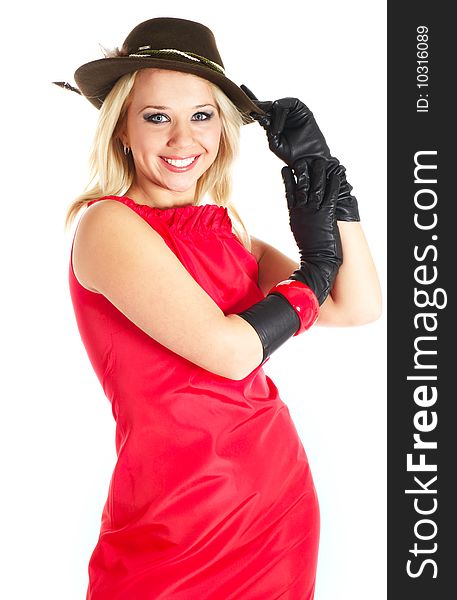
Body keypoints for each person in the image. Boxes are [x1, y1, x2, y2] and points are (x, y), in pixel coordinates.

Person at [57, 16, 381, 599]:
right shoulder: (108, 225)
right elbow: (230, 352)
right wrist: (312, 270)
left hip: (274, 502)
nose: (183, 140)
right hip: (172, 522)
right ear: (123, 130)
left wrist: (326, 182)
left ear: (224, 129)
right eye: (158, 118)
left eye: (201, 116)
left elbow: (355, 306)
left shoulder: (227, 229)